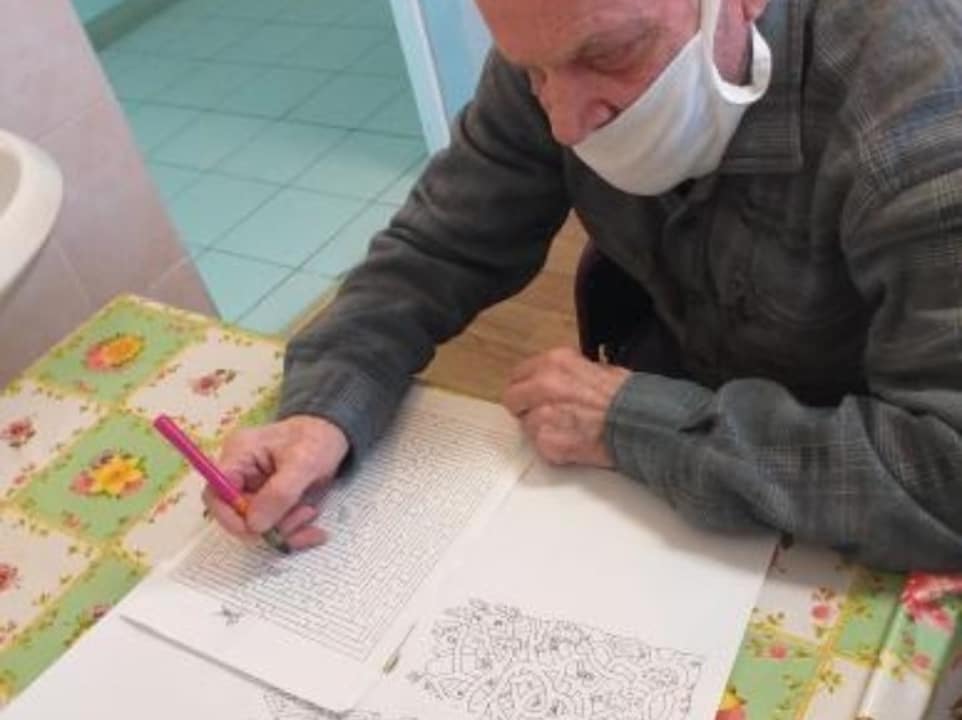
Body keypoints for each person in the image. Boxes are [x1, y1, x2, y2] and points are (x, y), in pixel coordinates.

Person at [204, 0, 962, 571]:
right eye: (533, 72)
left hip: (851, 466)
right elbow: (437, 245)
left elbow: (946, 475)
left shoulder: (922, 112)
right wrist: (325, 408)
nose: (565, 125)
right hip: (678, 439)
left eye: (614, 53)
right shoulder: (557, 38)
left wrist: (638, 424)